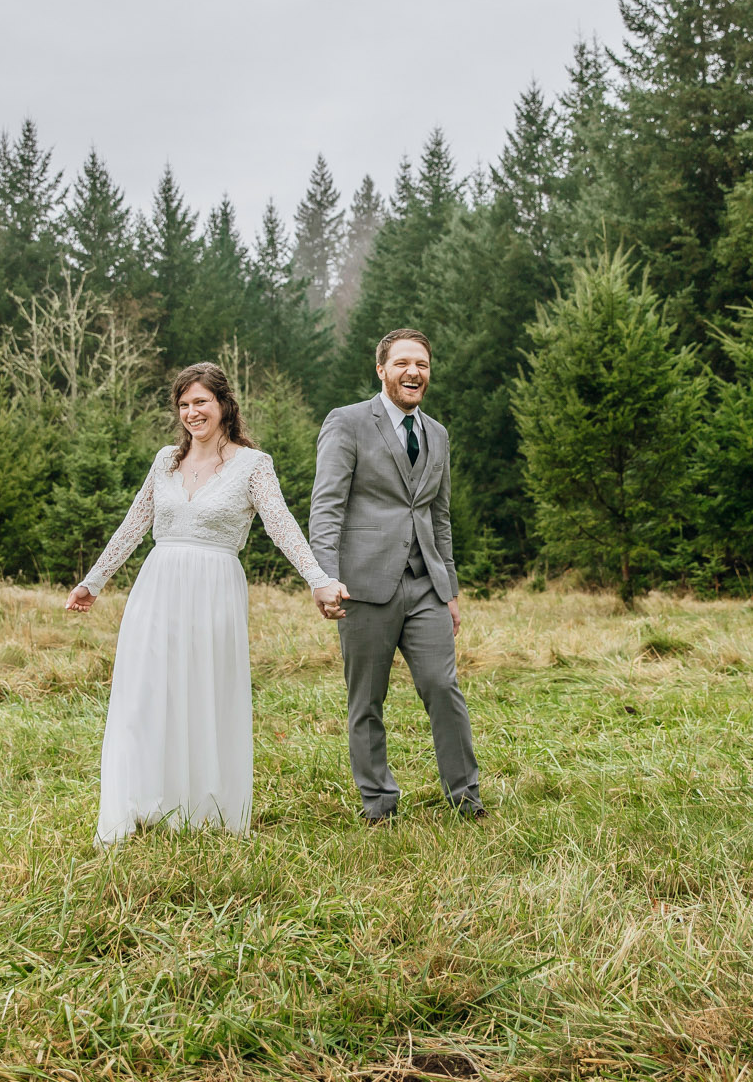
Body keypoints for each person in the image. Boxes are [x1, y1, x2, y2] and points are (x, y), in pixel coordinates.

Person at [66, 361, 346, 844]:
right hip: (158, 587)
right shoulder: (165, 462)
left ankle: (203, 806)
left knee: (204, 692)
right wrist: (93, 581)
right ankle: (140, 800)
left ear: (223, 405)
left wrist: (318, 579)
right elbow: (133, 525)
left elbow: (282, 526)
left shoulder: (253, 465)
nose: (192, 413)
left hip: (215, 589)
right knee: (147, 694)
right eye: (184, 405)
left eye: (201, 402)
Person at [308, 328, 483, 824]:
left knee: (443, 687)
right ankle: (379, 803)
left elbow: (440, 518)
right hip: (362, 586)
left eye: (422, 364)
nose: (414, 372)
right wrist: (324, 576)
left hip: (425, 584)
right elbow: (326, 508)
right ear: (381, 369)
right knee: (367, 697)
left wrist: (448, 589)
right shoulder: (346, 423)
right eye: (403, 363)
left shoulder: (439, 434)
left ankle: (465, 796)